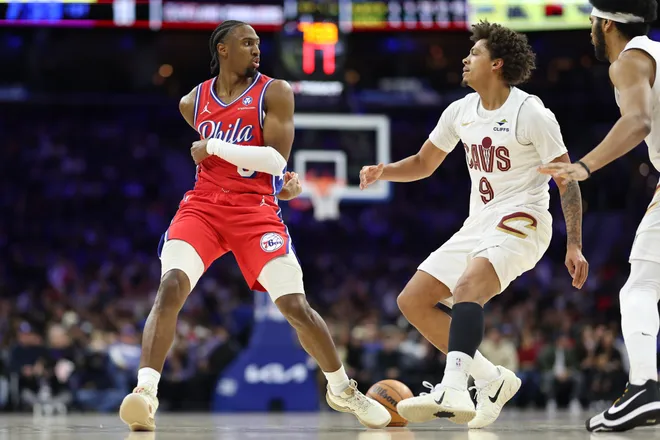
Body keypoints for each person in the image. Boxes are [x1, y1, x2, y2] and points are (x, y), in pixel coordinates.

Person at [118, 20, 391, 431]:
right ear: (222, 49)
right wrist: (274, 179)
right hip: (203, 207)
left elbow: (274, 159)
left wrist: (218, 149)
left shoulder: (275, 91)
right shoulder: (192, 103)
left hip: (255, 211)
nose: (256, 49)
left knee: (295, 307)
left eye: (258, 43)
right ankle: (146, 392)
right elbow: (250, 162)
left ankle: (341, 389)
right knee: (171, 284)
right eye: (247, 43)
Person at [360, 21, 589, 428]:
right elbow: (424, 163)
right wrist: (385, 171)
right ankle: (493, 380)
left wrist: (574, 245)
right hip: (479, 223)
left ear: (497, 64)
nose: (465, 59)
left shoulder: (530, 112)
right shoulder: (460, 111)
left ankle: (452, 385)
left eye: (475, 54)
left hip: (524, 219)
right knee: (412, 301)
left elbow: (566, 180)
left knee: (467, 288)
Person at [538, 0, 660, 432]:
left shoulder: (630, 60)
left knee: (640, 289)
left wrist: (584, 166)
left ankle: (645, 386)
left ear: (607, 23)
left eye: (592, 17)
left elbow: (639, 122)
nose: (591, 24)